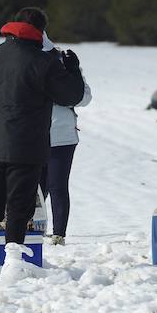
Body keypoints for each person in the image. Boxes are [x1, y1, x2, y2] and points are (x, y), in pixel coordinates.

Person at [0, 7, 85, 281]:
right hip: (27, 146)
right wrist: (72, 69)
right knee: (19, 205)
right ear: (40, 31)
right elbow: (72, 94)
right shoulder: (44, 63)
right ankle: (12, 262)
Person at [39, 31, 93, 246]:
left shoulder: (65, 61)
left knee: (57, 185)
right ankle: (32, 228)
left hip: (62, 137)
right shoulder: (26, 62)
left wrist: (73, 77)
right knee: (36, 187)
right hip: (33, 135)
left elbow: (85, 97)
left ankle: (59, 233)